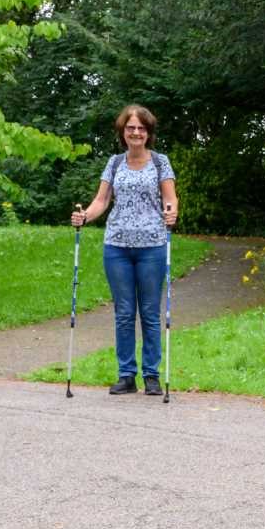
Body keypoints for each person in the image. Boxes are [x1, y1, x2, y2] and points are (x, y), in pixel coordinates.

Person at [71, 104, 180, 395]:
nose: (136, 132)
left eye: (141, 128)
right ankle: (126, 374)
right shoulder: (115, 163)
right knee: (123, 312)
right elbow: (101, 201)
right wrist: (85, 217)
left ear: (148, 133)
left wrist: (171, 214)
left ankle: (152, 375)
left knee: (149, 312)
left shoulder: (160, 162)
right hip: (117, 246)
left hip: (152, 246)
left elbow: (171, 199)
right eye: (130, 127)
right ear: (123, 131)